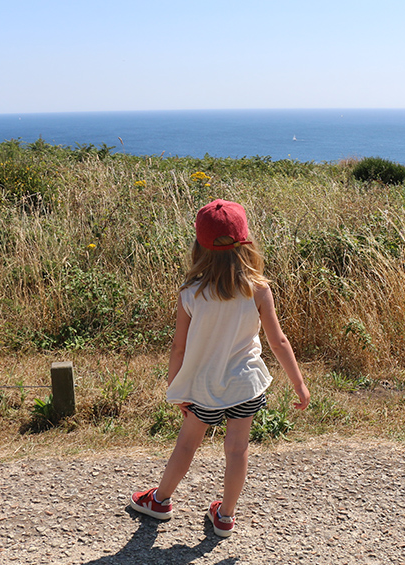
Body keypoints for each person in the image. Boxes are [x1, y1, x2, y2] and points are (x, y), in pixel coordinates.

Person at [130, 199, 310, 538]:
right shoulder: (258, 288)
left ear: (199, 245)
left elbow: (178, 347)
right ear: (246, 241)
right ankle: (225, 516)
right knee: (237, 449)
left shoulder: (191, 292)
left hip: (202, 387)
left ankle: (160, 501)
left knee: (186, 445)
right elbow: (278, 342)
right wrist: (299, 384)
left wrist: (177, 387)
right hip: (245, 385)